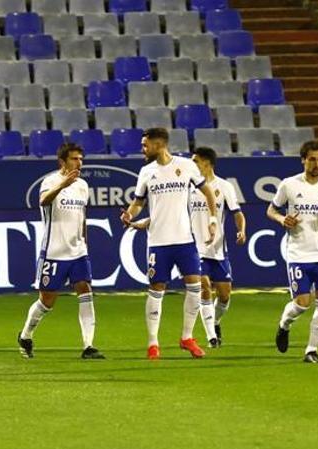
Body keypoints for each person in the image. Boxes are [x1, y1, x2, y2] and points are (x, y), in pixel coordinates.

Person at [121, 128, 219, 360]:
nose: (142, 149)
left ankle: (187, 337)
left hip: (184, 239)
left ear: (158, 145)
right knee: (157, 290)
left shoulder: (186, 166)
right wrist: (129, 214)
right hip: (158, 241)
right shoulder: (146, 172)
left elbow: (208, 193)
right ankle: (153, 343)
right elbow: (138, 202)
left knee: (195, 286)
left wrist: (213, 220)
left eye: (146, 145)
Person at [16, 143, 105, 360]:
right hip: (54, 252)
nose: (79, 163)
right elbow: (43, 201)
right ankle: (26, 335)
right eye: (74, 159)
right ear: (62, 162)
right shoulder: (50, 181)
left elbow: (82, 215)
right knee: (47, 301)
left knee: (85, 290)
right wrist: (63, 184)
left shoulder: (83, 186)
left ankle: (88, 346)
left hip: (78, 252)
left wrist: (84, 241)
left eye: (81, 159)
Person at [267, 140, 318, 363]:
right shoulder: (289, 185)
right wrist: (283, 219)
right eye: (312, 159)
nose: (316, 163)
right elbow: (271, 210)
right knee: (302, 303)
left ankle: (311, 350)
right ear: (303, 160)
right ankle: (284, 325)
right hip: (298, 254)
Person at [190, 147, 246, 348]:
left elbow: (237, 212)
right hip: (194, 248)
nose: (192, 164)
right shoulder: (189, 187)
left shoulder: (224, 187)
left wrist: (241, 230)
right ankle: (211, 336)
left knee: (224, 295)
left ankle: (215, 321)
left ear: (207, 163)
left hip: (218, 250)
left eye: (195, 160)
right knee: (204, 287)